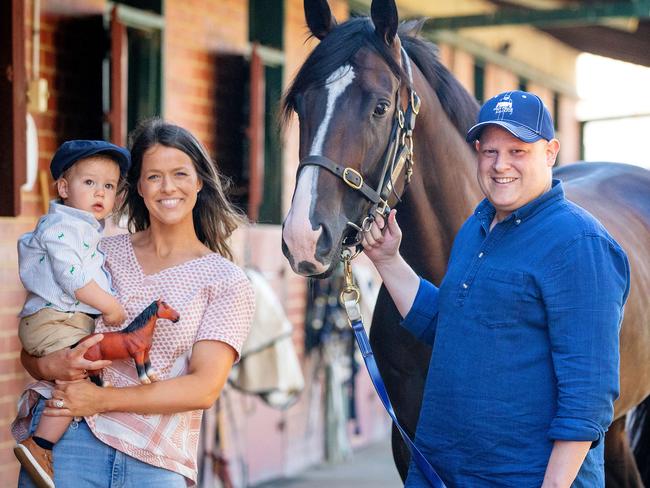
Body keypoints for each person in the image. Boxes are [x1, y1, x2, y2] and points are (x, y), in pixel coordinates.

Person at [362, 90, 630, 487]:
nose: (500, 165)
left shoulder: (580, 245)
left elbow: (588, 394)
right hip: (442, 470)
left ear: (551, 152)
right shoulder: (477, 227)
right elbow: (451, 326)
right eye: (489, 152)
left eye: (517, 151)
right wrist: (387, 259)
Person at [12, 119, 255, 487]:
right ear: (138, 186)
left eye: (179, 174)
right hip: (68, 445)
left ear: (199, 181)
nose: (167, 187)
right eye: (153, 176)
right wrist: (52, 364)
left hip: (155, 462)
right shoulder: (95, 252)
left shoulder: (226, 281)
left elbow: (203, 387)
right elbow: (36, 343)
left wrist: (101, 401)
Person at [14, 140, 130, 487]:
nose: (100, 192)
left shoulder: (84, 228)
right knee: (76, 375)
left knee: (80, 371)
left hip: (60, 319)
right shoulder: (60, 227)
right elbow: (73, 276)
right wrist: (109, 305)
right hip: (54, 319)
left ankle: (43, 442)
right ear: (64, 188)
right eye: (89, 182)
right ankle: (41, 445)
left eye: (109, 186)